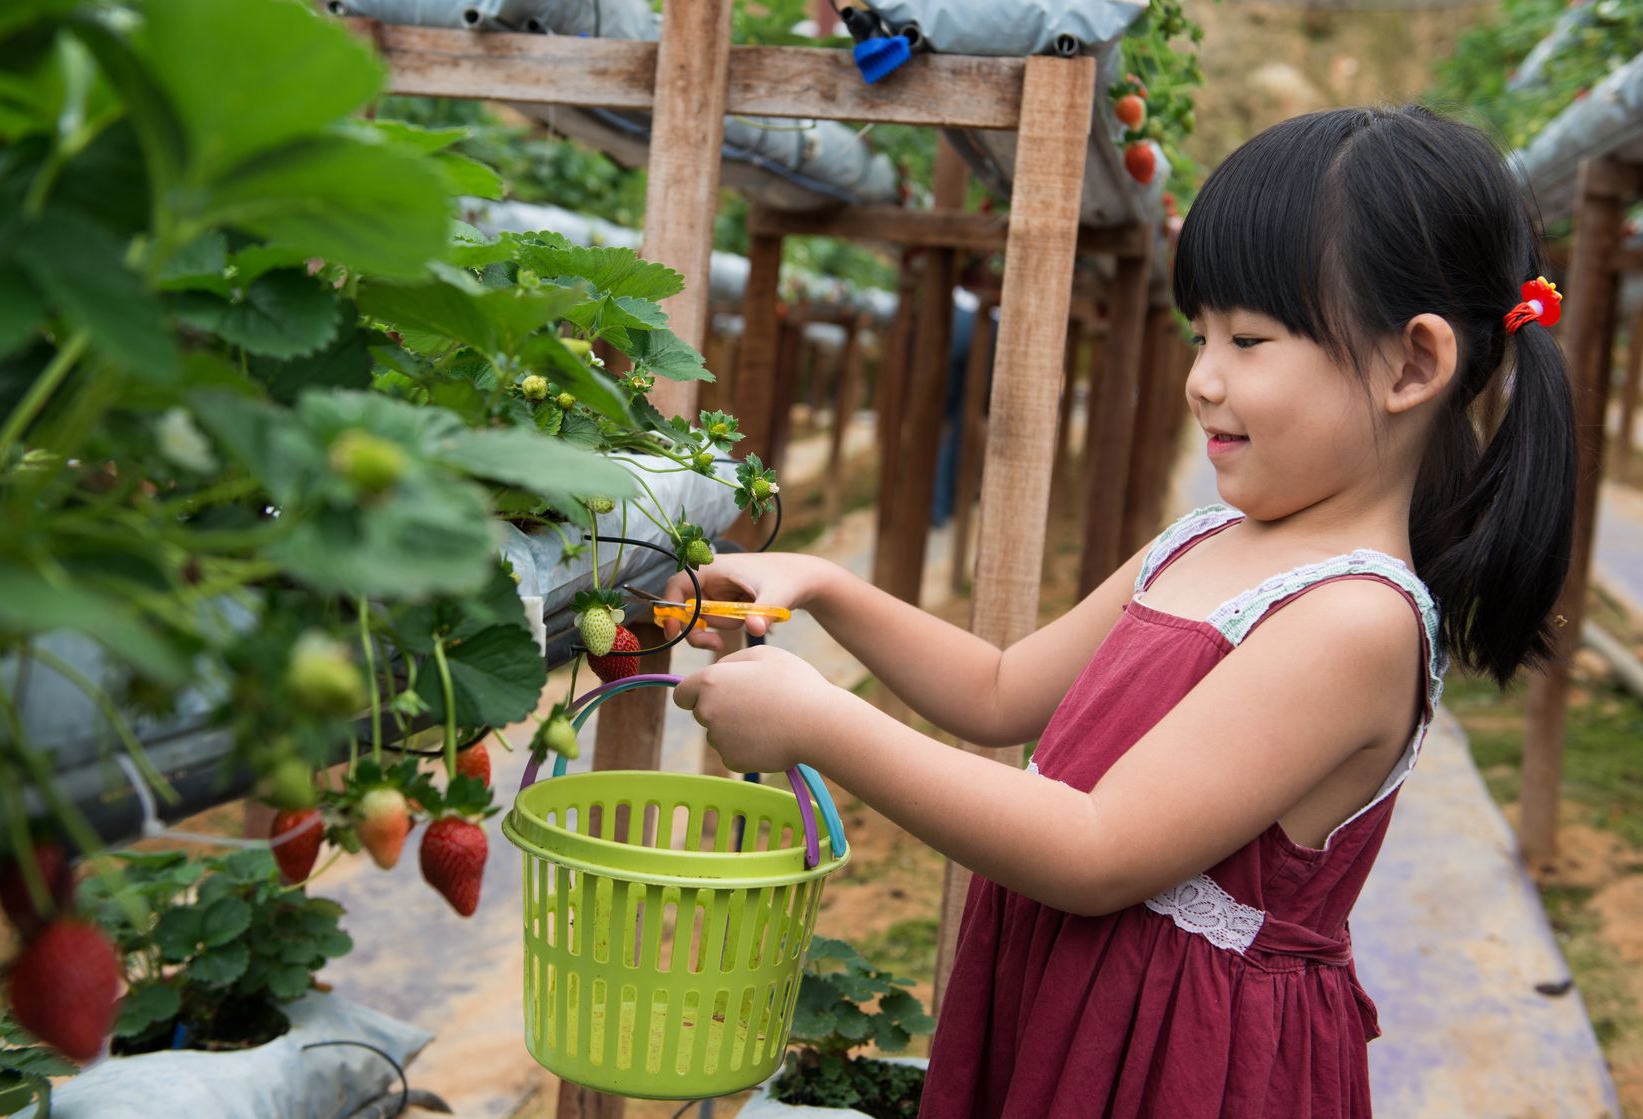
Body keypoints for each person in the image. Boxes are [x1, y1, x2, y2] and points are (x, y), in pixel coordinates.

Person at [665, 105, 1577, 1117]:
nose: (1201, 379)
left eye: (1251, 339)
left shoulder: (1353, 620)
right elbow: (1000, 690)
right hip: (1083, 1000)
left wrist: (821, 722)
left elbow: (1097, 850)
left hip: (1183, 1060)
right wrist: (825, 588)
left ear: (1412, 364)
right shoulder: (1197, 544)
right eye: (1201, 336)